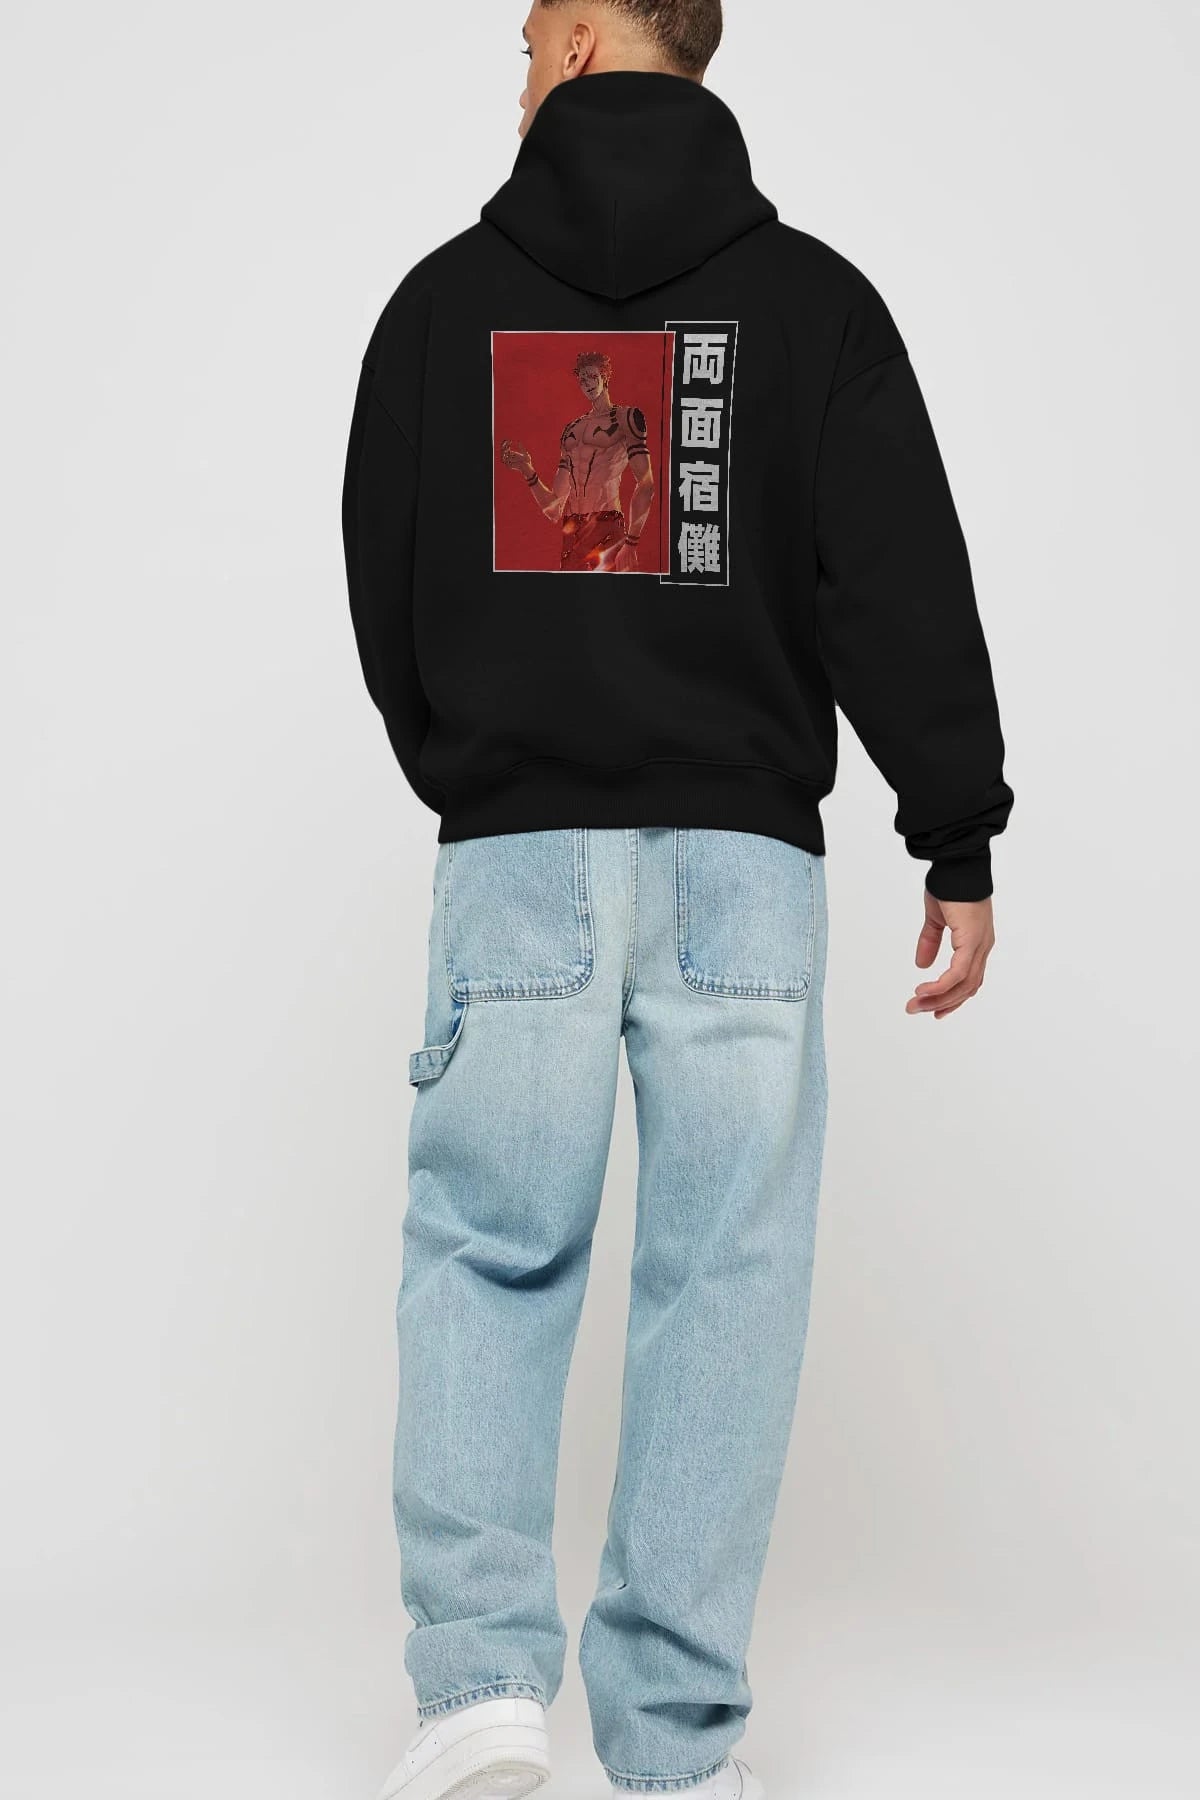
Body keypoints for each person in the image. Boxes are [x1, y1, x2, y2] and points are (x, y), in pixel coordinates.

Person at [341, 4, 1013, 1800]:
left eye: (525, 40)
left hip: (519, 853)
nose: (517, 71)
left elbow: (384, 579)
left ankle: (481, 1696)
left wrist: (485, 770)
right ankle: (676, 1749)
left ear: (576, 44)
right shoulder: (815, 310)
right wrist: (954, 831)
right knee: (728, 1278)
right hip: (746, 874)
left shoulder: (441, 308)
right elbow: (897, 579)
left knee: (487, 1250)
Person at [502, 350, 655, 571]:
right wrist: (527, 470)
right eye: (582, 380)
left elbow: (646, 484)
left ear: (605, 376)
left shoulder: (625, 418)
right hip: (572, 530)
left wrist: (632, 542)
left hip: (607, 524)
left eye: (592, 376)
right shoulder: (571, 431)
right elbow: (554, 509)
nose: (587, 383)